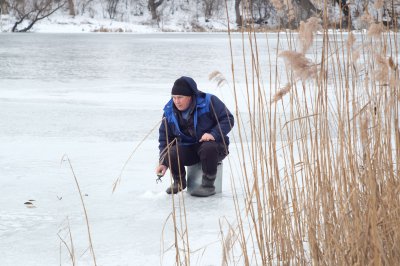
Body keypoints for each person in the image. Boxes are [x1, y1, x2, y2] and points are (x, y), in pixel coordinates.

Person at [155, 76, 234, 197]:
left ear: (191, 96)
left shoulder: (209, 101)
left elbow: (228, 118)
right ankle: (179, 182)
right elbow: (165, 138)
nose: (176, 101)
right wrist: (163, 162)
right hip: (190, 149)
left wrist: (213, 134)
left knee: (208, 147)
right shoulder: (169, 111)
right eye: (174, 97)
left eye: (180, 97)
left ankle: (208, 185)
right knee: (171, 151)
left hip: (214, 148)